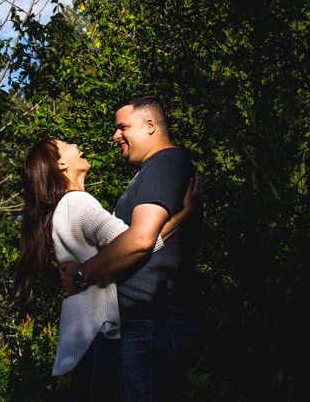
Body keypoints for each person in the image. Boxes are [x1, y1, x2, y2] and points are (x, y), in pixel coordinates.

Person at [14, 137, 198, 402]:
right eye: (66, 144)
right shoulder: (77, 202)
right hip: (94, 332)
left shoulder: (64, 207)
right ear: (61, 164)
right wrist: (181, 218)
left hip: (85, 333)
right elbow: (134, 242)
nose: (76, 144)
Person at [61, 96, 201, 402]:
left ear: (150, 126)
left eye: (122, 127)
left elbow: (140, 239)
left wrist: (82, 275)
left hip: (152, 320)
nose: (115, 136)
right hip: (144, 322)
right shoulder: (154, 169)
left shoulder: (165, 163)